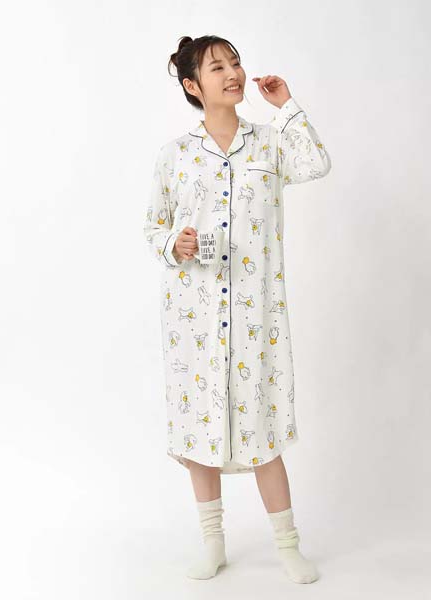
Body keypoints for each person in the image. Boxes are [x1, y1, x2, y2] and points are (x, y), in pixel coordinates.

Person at [143, 34, 331, 583]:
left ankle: (288, 545)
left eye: (235, 63)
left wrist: (286, 106)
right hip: (194, 318)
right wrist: (173, 242)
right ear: (192, 85)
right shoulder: (174, 156)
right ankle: (213, 543)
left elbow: (316, 163)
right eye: (216, 67)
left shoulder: (269, 144)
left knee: (263, 430)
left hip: (256, 317)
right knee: (199, 433)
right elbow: (153, 225)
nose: (232, 73)